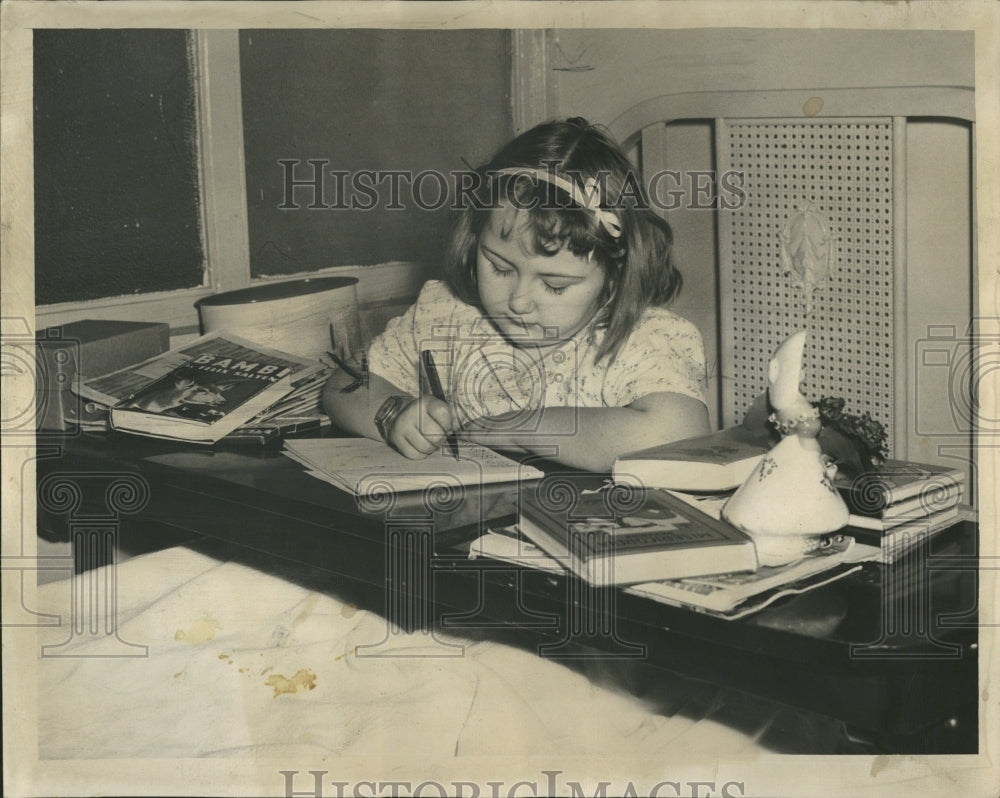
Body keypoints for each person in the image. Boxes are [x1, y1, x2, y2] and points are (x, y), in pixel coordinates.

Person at [323, 118, 709, 472]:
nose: (518, 301)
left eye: (555, 285)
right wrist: (393, 414)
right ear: (475, 237)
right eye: (500, 267)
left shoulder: (640, 338)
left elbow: (678, 436)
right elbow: (344, 384)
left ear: (615, 274)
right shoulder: (449, 313)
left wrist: (518, 427)